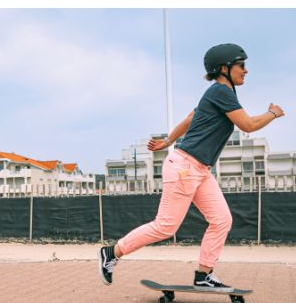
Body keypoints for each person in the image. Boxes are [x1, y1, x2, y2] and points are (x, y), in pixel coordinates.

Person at [97, 44, 284, 291]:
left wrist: (168, 140)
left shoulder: (219, 93)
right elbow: (248, 125)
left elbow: (190, 118)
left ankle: (204, 275)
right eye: (241, 66)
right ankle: (112, 252)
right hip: (185, 167)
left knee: (221, 220)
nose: (246, 71)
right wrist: (272, 113)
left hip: (199, 169)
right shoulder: (220, 91)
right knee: (166, 226)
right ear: (224, 68)